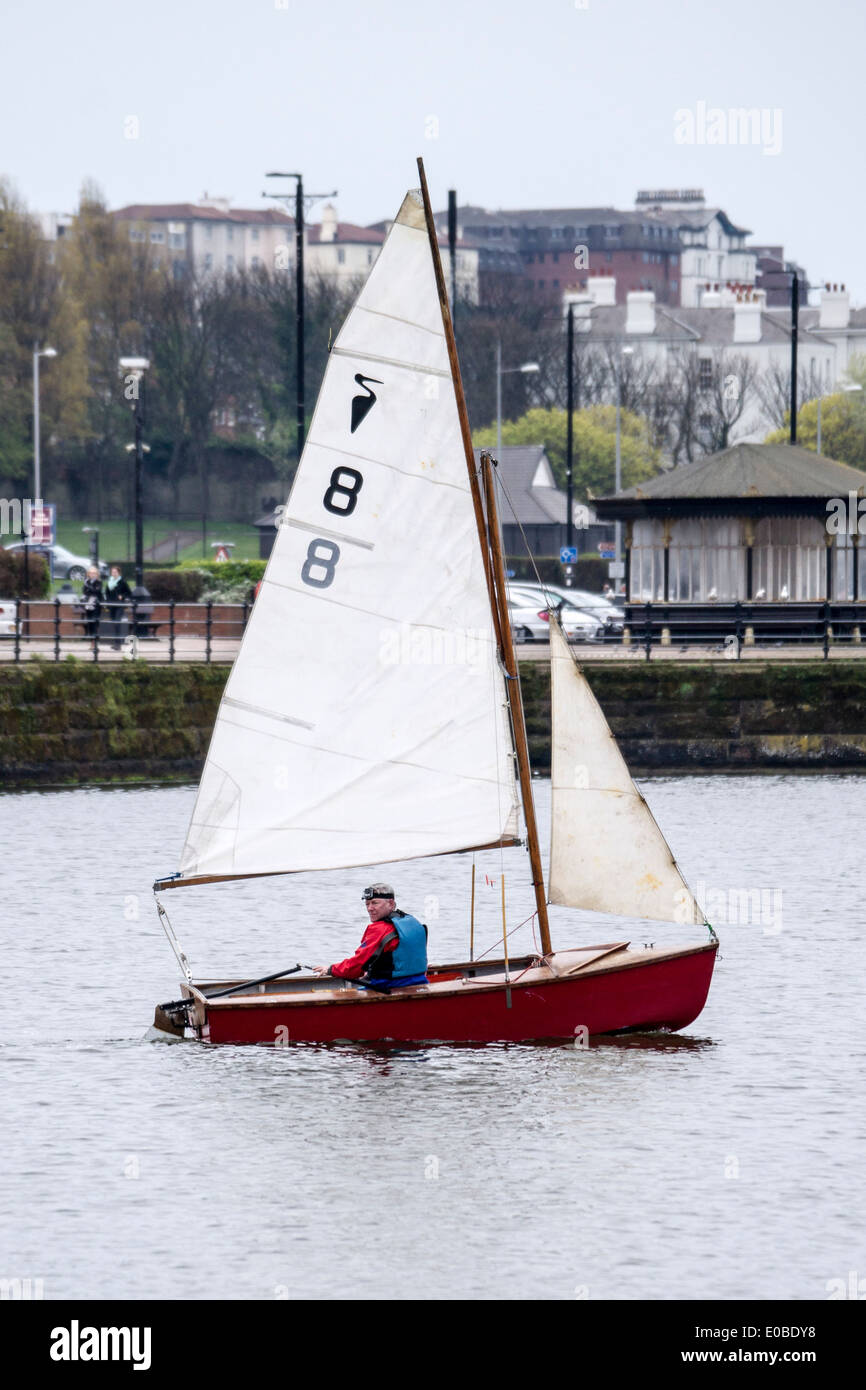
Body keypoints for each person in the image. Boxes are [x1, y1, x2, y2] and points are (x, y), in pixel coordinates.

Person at [313, 884, 428, 991]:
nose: (369, 908)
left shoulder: (380, 929)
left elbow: (357, 965)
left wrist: (331, 969)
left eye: (375, 903)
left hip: (388, 986)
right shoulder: (412, 921)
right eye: (367, 904)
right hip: (421, 982)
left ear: (391, 904)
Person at [104, 565, 133, 648]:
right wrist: (108, 601)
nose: (114, 573)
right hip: (111, 605)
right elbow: (107, 593)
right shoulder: (110, 582)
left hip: (119, 605)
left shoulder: (122, 582)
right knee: (114, 623)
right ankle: (117, 642)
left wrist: (122, 596)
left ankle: (118, 644)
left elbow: (129, 593)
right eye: (112, 572)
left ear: (119, 573)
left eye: (115, 572)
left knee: (117, 622)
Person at [81, 566, 103, 644]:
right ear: (88, 574)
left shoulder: (99, 582)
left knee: (95, 622)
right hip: (88, 604)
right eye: (91, 573)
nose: (92, 575)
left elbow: (97, 591)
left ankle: (95, 641)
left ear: (97, 574)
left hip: (96, 605)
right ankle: (92, 641)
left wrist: (89, 588)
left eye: (94, 573)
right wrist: (90, 589)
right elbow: (84, 592)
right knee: (89, 622)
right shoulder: (86, 582)